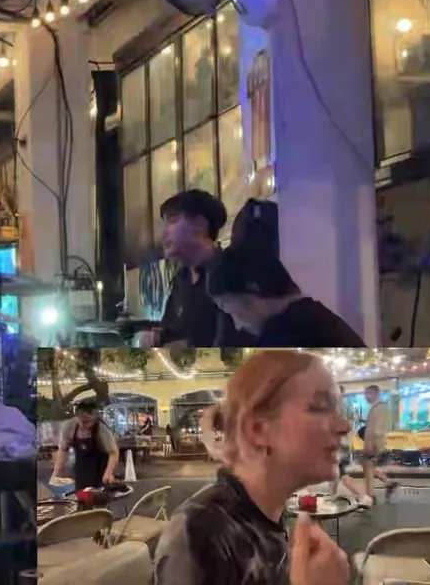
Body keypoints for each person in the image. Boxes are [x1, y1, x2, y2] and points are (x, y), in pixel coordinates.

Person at [153, 350, 351, 585]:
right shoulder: (200, 532)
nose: (344, 426)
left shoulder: (267, 514)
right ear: (258, 430)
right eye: (321, 406)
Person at [139, 189, 252, 347]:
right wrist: (155, 336)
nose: (163, 233)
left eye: (173, 221)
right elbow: (172, 330)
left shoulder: (231, 272)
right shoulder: (181, 279)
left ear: (199, 224)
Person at [206, 243, 366, 348]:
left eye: (234, 313)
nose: (238, 325)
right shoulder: (311, 317)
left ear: (253, 294)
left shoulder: (284, 334)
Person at [49, 400, 120, 489]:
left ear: (95, 418)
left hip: (100, 468)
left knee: (99, 493)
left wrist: (108, 473)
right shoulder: (69, 426)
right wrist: (56, 473)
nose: (85, 425)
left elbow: (113, 453)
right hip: (81, 468)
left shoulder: (102, 429)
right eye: (82, 421)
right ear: (77, 416)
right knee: (81, 493)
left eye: (88, 421)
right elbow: (63, 450)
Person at [359, 384, 398, 502]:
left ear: (376, 394)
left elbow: (379, 430)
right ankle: (387, 483)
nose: (366, 396)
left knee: (368, 468)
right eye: (365, 394)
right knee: (369, 467)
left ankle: (370, 495)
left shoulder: (380, 408)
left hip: (373, 444)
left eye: (368, 393)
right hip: (370, 443)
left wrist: (374, 445)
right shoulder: (376, 408)